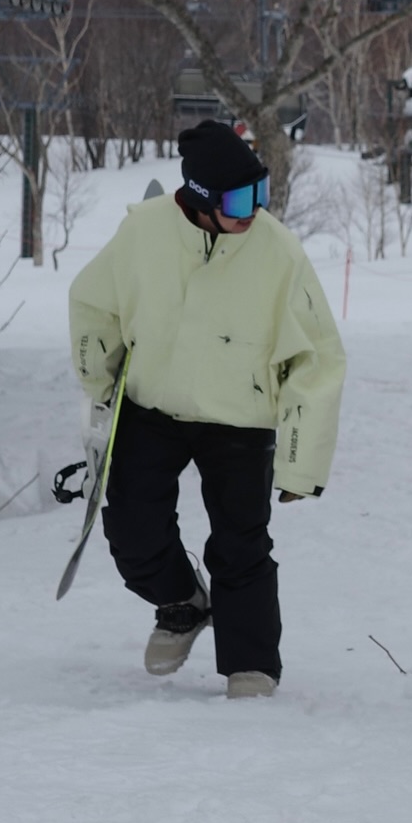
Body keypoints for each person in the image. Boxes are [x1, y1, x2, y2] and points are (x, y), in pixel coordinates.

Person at [68, 119, 346, 697]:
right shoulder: (143, 231)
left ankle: (252, 667)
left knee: (241, 544)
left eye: (262, 195)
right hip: (152, 406)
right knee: (132, 530)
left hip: (239, 420)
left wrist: (302, 466)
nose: (255, 212)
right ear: (198, 197)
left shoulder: (279, 253)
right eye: (243, 200)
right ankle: (181, 603)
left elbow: (318, 360)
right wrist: (99, 383)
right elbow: (93, 305)